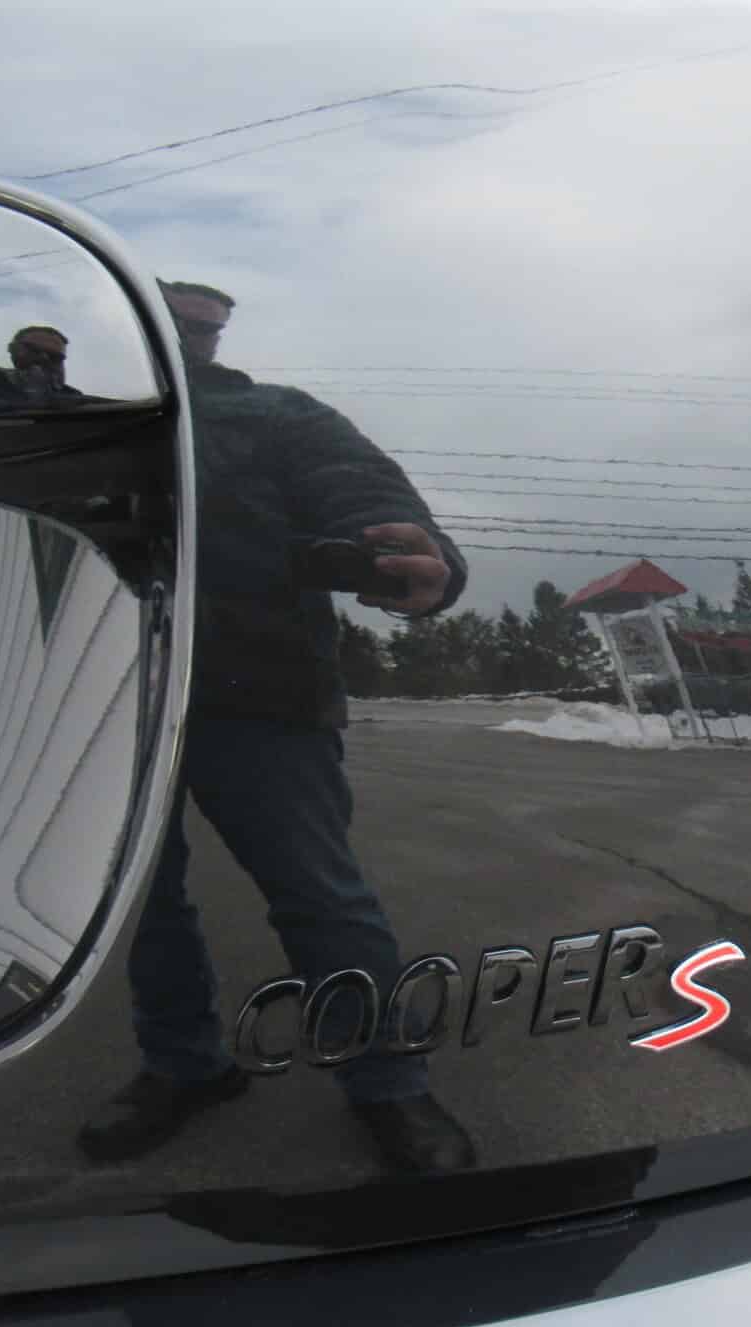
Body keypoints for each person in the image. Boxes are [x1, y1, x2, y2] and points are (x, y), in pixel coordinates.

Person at [78, 280, 475, 1171]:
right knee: (142, 905)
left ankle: (389, 1082)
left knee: (322, 895)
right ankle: (184, 1066)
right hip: (102, 698)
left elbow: (360, 488)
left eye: (207, 327)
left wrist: (414, 551)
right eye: (175, 319)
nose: (193, 337)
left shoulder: (274, 414)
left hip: (261, 687)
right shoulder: (68, 417)